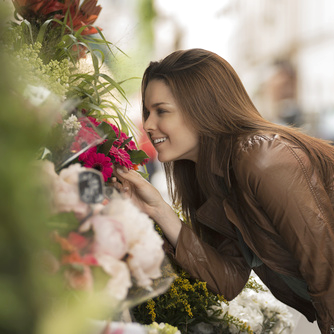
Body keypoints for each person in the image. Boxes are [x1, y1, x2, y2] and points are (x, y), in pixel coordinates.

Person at [113, 48, 334, 334]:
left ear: (202, 109)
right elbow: (228, 280)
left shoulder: (263, 160)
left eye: (161, 111)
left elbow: (326, 268)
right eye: (147, 112)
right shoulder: (212, 175)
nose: (149, 125)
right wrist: (159, 210)